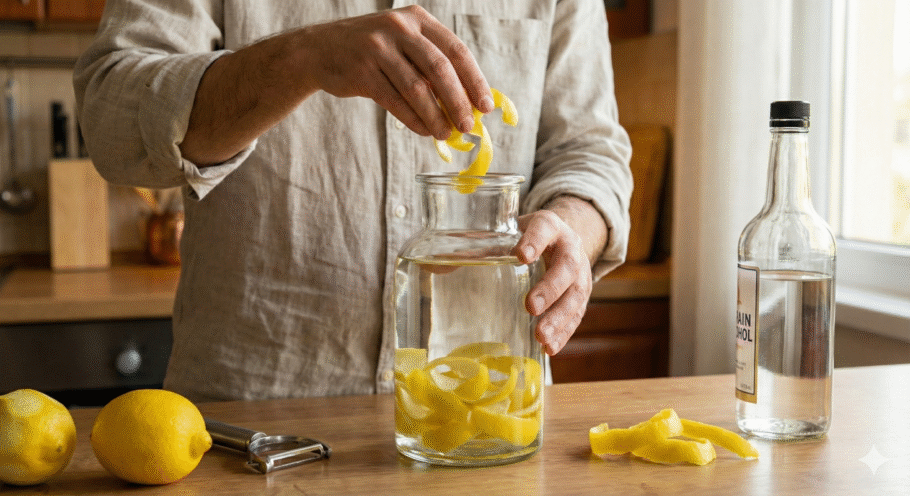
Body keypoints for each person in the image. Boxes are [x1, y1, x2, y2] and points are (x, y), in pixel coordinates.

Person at [73, 0, 633, 402]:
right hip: (254, 420)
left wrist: (571, 225)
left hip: (484, 414)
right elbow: (109, 121)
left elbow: (589, 151)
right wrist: (301, 57)